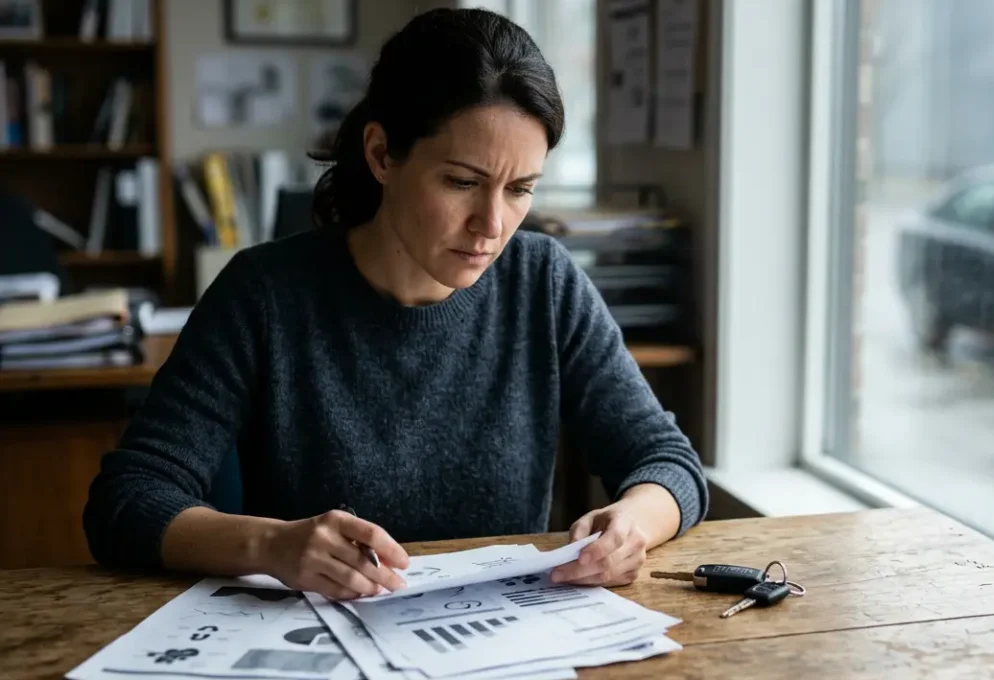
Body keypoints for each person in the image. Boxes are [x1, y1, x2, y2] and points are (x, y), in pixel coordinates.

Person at [82, 7, 708, 601]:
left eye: (519, 189)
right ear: (382, 154)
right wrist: (270, 544)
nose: (492, 223)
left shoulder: (544, 281)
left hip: (498, 644)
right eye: (462, 182)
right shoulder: (264, 294)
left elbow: (666, 460)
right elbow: (127, 497)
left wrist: (635, 522)